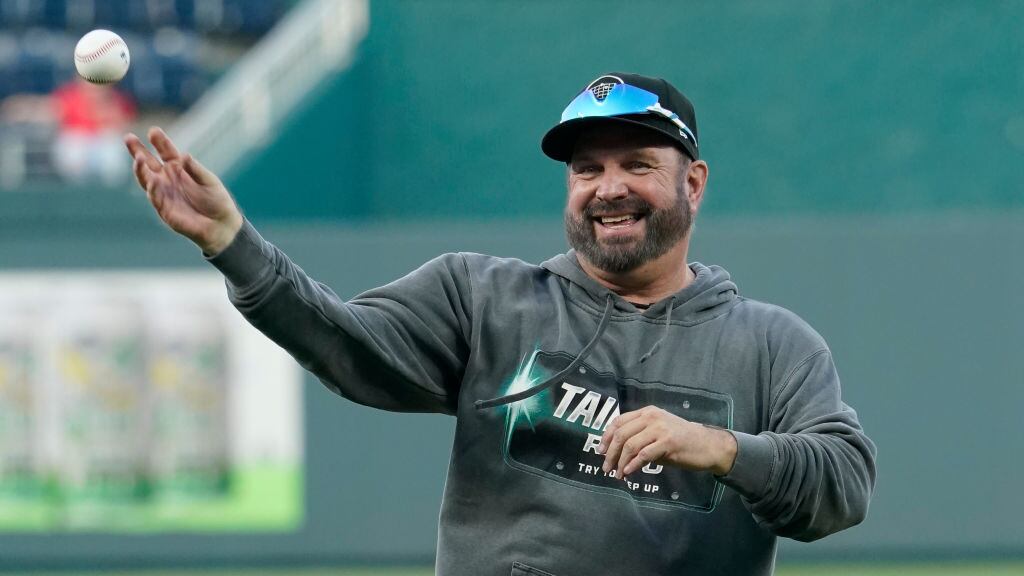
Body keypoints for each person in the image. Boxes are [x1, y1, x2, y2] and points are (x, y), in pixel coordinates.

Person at [125, 72, 876, 576]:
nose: (607, 188)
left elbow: (841, 485)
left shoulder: (771, 344)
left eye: (638, 164)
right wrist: (233, 244)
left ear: (694, 182)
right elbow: (346, 346)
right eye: (586, 170)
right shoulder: (483, 298)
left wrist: (719, 447)